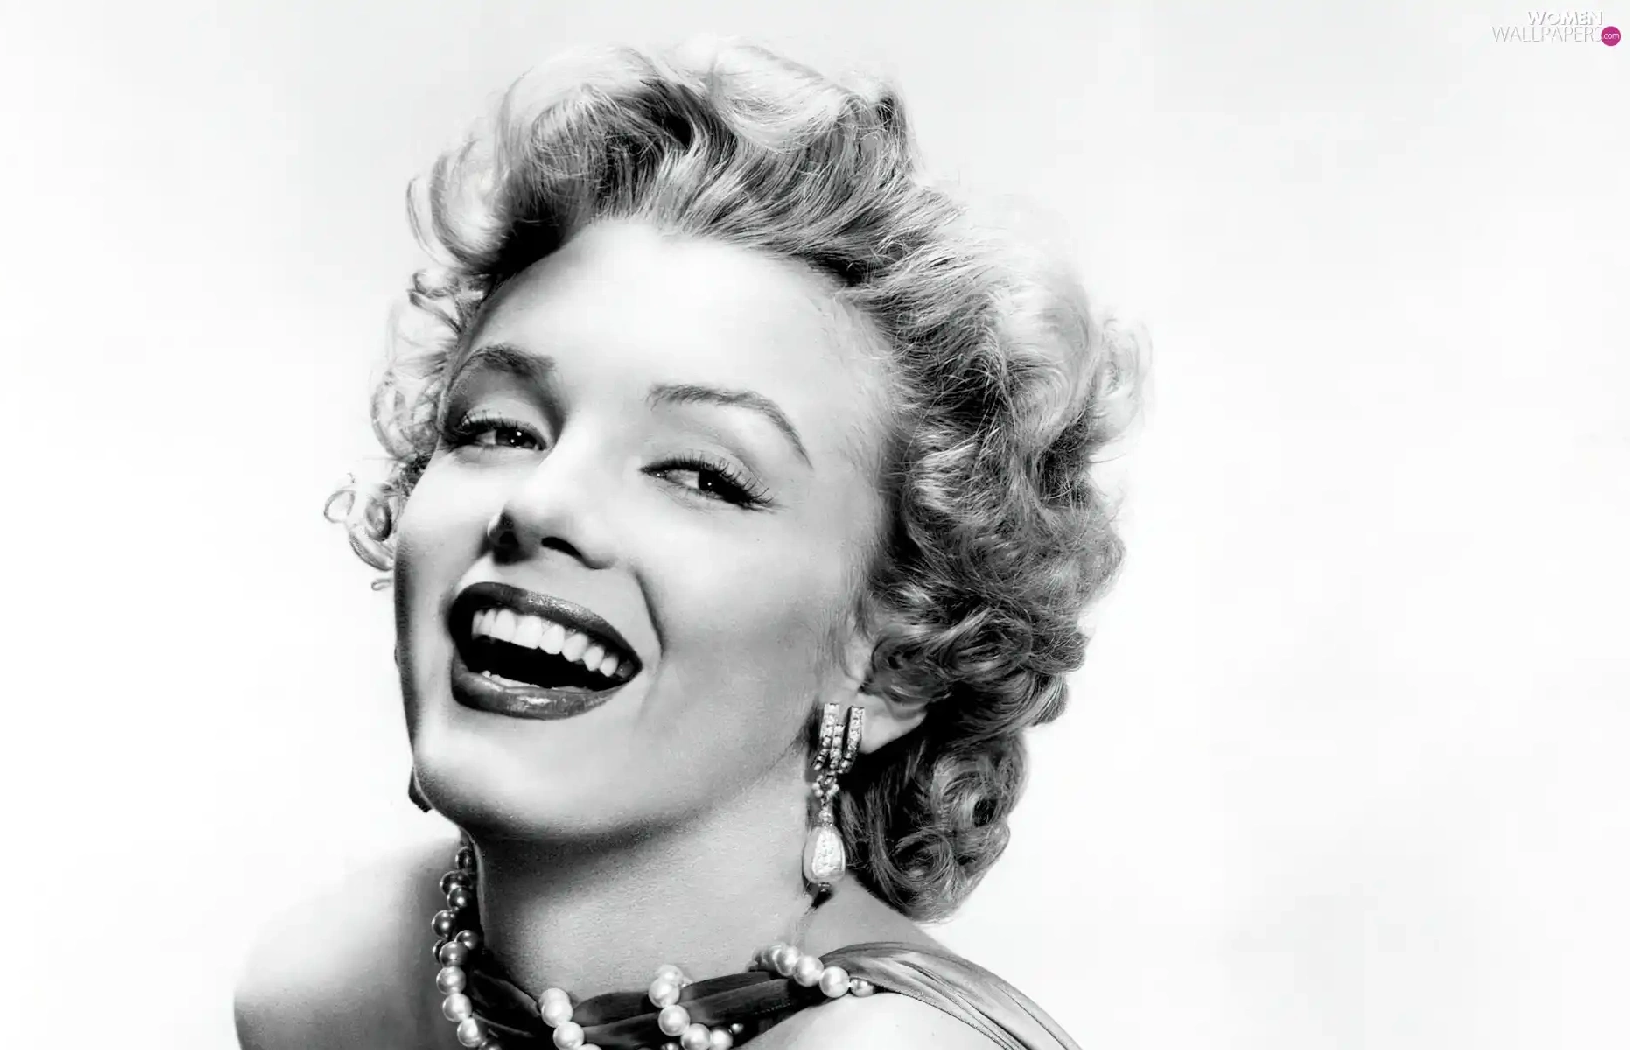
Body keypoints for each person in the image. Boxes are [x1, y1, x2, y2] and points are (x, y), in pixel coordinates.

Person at [234, 38, 1139, 1050]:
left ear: (895, 658)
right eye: (497, 430)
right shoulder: (328, 987)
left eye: (700, 475)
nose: (542, 502)